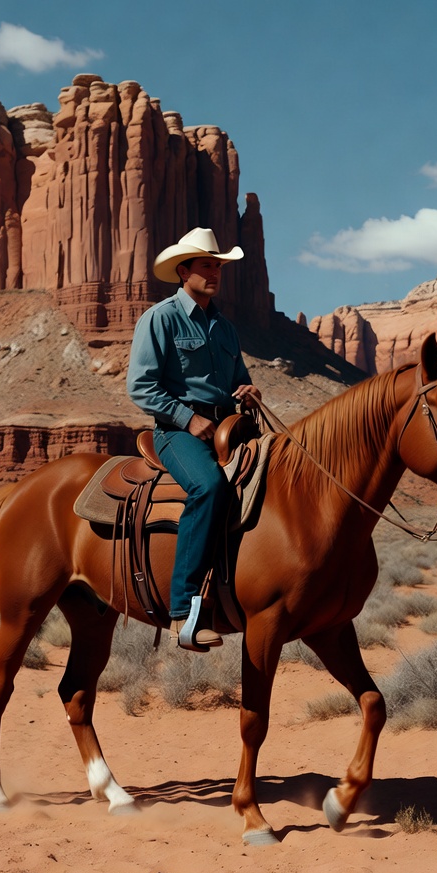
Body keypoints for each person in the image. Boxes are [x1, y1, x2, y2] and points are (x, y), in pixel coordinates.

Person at [127, 227, 261, 651]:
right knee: (208, 487)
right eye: (207, 264)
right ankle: (183, 612)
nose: (216, 272)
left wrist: (249, 390)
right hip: (175, 433)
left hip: (229, 427)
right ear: (183, 270)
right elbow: (141, 387)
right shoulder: (160, 317)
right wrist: (188, 419)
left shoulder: (224, 327)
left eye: (219, 265)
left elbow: (238, 379)